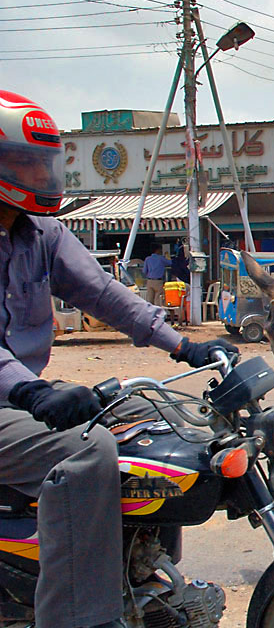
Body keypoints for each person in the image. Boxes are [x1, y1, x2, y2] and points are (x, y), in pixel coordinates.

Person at [0, 90, 238, 628]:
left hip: (18, 396)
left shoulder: (44, 233)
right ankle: (80, 615)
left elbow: (105, 294)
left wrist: (182, 344)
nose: (38, 174)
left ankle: (142, 576)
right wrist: (33, 391)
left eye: (43, 163)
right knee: (85, 452)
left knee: (151, 427)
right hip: (8, 397)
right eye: (22, 162)